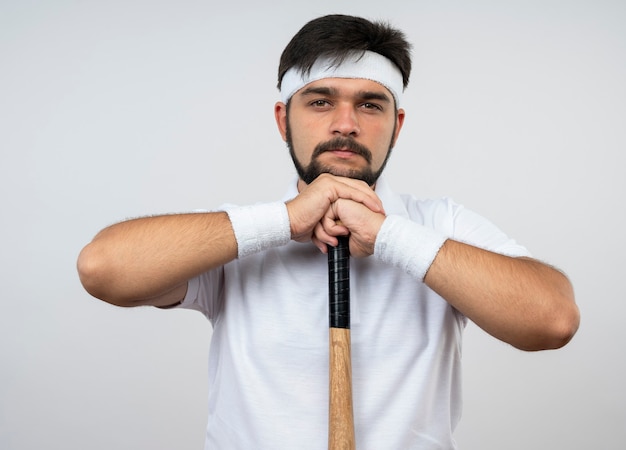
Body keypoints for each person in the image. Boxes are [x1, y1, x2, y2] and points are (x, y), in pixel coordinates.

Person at [77, 14, 580, 449]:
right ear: (282, 120)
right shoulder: (237, 236)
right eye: (320, 101)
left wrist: (389, 236)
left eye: (370, 104)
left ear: (397, 124)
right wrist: (284, 220)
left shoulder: (437, 226)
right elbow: (103, 269)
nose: (346, 124)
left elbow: (553, 320)